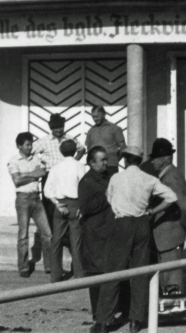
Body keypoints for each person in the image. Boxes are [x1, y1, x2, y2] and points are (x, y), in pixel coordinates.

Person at [92, 144, 178, 333]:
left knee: (113, 272)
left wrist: (121, 207)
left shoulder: (116, 178)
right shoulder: (149, 178)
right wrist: (152, 211)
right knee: (140, 273)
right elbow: (172, 197)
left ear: (125, 160)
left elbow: (109, 198)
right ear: (139, 161)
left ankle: (104, 321)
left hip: (121, 224)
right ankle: (135, 321)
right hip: (142, 224)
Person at [141, 138, 186, 296]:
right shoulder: (167, 175)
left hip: (170, 234)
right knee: (167, 275)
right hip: (165, 236)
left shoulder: (171, 177)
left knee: (171, 278)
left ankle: (174, 307)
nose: (152, 162)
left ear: (163, 160)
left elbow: (182, 205)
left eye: (154, 159)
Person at [7, 131, 56, 278]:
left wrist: (25, 175)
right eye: (27, 145)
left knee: (47, 233)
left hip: (36, 199)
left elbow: (42, 172)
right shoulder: (14, 161)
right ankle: (23, 267)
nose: (30, 147)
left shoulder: (36, 158)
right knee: (23, 235)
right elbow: (17, 181)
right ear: (19, 146)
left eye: (31, 145)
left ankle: (49, 265)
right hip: (23, 199)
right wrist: (33, 175)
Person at [44, 138, 87, 282]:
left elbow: (47, 190)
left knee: (56, 240)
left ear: (61, 151)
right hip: (75, 204)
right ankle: (79, 274)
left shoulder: (56, 167)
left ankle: (55, 276)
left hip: (60, 204)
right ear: (75, 151)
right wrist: (81, 206)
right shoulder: (79, 166)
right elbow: (84, 187)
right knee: (76, 240)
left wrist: (56, 203)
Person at [79, 146, 113, 320]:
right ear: (92, 163)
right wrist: (107, 196)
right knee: (96, 275)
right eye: (102, 160)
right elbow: (85, 208)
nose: (106, 163)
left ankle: (108, 312)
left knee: (109, 274)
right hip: (95, 236)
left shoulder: (107, 178)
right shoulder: (86, 182)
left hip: (108, 233)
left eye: (107, 159)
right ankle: (98, 315)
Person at [85, 105, 126, 176]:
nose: (95, 119)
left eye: (97, 116)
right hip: (95, 167)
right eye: (93, 117)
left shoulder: (115, 129)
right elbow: (89, 149)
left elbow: (123, 147)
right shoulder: (91, 131)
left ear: (104, 114)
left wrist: (115, 160)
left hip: (110, 166)